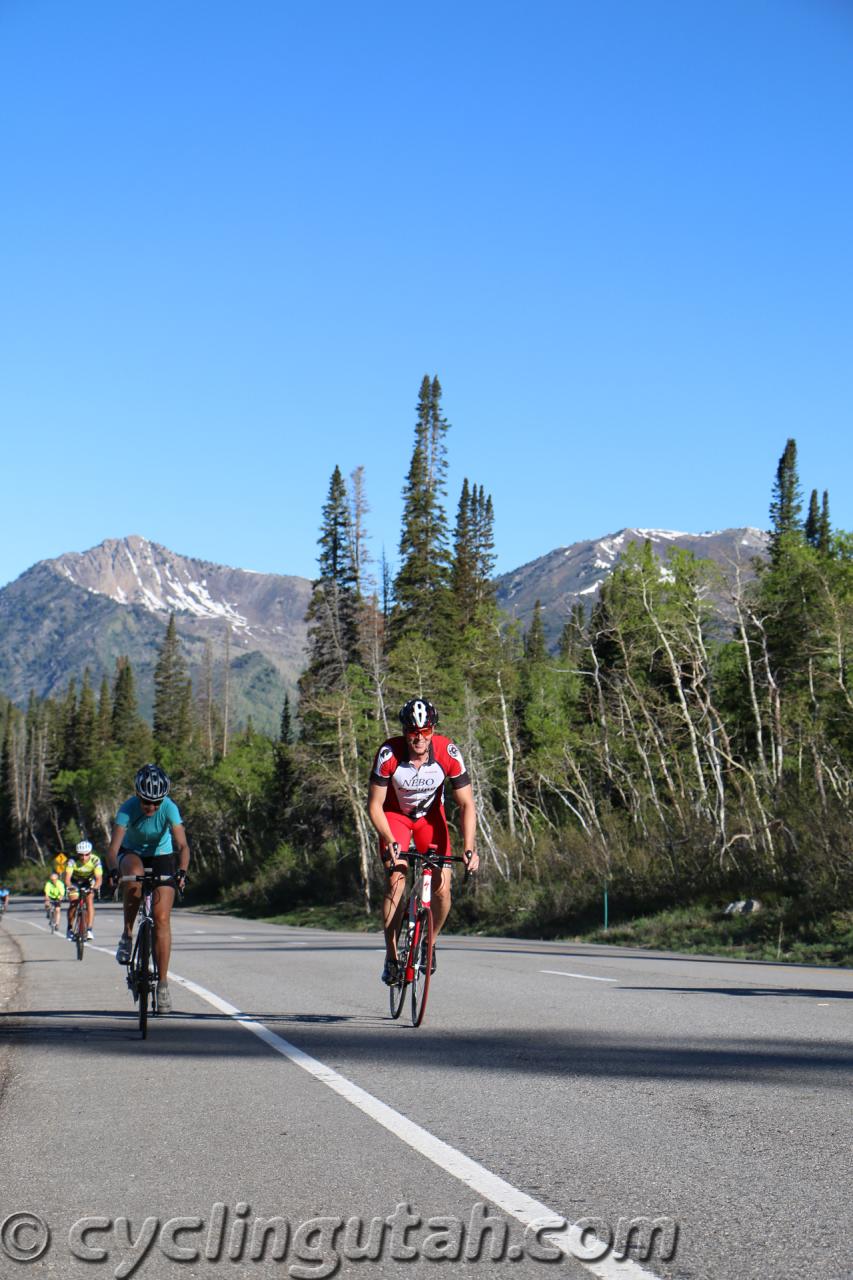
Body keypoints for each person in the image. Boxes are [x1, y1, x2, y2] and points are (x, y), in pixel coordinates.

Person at [368, 697, 478, 985]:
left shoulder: (447, 751)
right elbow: (374, 806)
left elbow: (467, 804)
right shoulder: (388, 753)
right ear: (405, 731)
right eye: (413, 732)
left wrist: (469, 847)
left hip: (430, 818)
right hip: (396, 817)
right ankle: (392, 957)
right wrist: (390, 840)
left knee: (443, 888)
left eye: (426, 731)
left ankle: (429, 943)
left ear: (433, 731)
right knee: (397, 880)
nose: (419, 738)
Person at [105, 764, 189, 1015]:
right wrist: (112, 871)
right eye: (146, 802)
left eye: (156, 803)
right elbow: (112, 850)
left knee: (162, 919)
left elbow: (183, 846)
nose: (151, 808)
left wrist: (182, 872)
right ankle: (127, 934)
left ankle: (163, 985)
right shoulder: (127, 809)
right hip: (132, 854)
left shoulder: (170, 808)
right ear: (138, 797)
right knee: (135, 875)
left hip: (162, 856)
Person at [64, 841, 103, 941]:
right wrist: (69, 887)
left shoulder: (95, 860)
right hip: (74, 883)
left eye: (87, 854)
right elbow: (67, 878)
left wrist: (95, 887)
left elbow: (99, 878)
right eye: (81, 855)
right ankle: (69, 928)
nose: (84, 857)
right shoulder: (72, 861)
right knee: (74, 902)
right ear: (78, 854)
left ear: (90, 853)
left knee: (89, 901)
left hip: (89, 882)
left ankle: (89, 929)